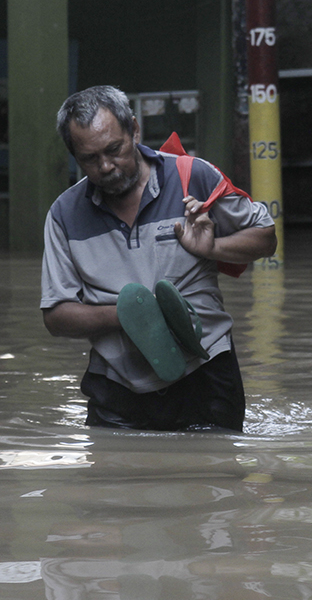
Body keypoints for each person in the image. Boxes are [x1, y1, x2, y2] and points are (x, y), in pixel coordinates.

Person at [41, 86, 277, 432]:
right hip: (116, 388)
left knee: (217, 478)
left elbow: (266, 238)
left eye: (114, 149)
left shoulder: (192, 177)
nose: (106, 166)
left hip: (206, 373)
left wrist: (211, 249)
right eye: (90, 159)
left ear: (134, 130)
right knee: (111, 482)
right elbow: (56, 316)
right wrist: (131, 315)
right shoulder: (64, 215)